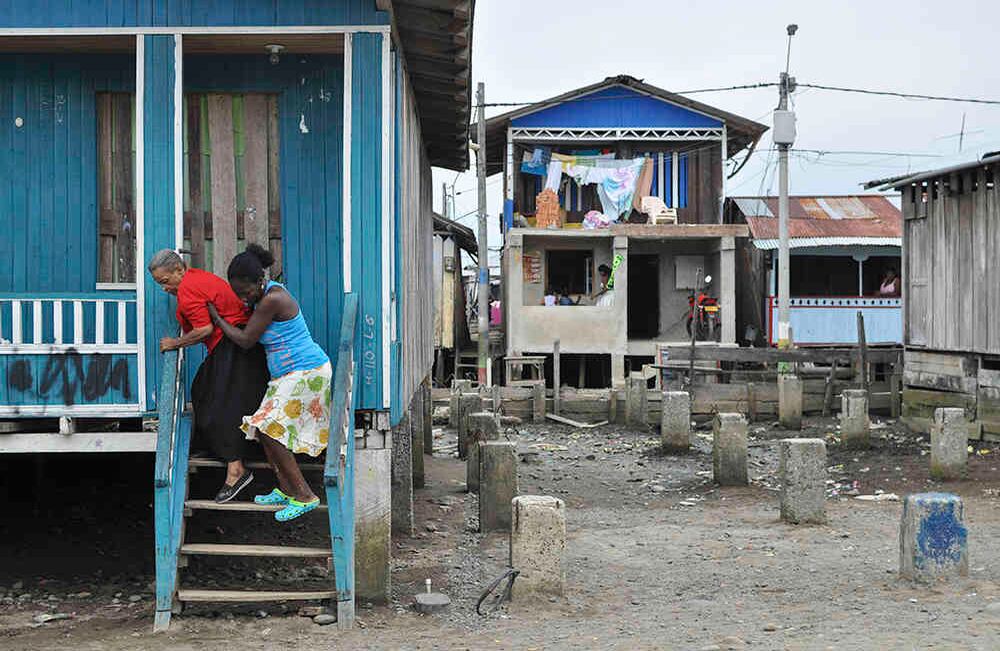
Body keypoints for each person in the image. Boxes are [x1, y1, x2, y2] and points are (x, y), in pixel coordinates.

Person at [207, 244, 332, 522]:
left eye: (246, 292)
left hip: (306, 372)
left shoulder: (272, 299)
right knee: (262, 430)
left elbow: (245, 340)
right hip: (287, 376)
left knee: (269, 429)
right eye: (237, 294)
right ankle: (286, 491)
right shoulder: (262, 296)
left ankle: (305, 496)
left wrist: (217, 318)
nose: (242, 299)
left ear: (260, 281)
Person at [147, 249, 268, 503]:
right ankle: (219, 448)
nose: (163, 288)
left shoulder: (188, 289)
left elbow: (203, 329)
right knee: (204, 391)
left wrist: (174, 343)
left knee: (216, 403)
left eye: (165, 281)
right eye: (159, 283)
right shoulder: (195, 278)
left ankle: (236, 470)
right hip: (236, 344)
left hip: (233, 345)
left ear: (179, 270)